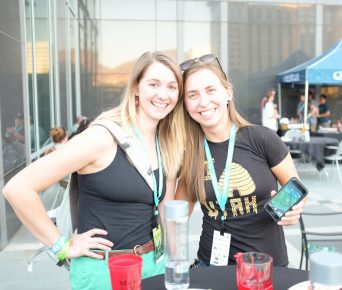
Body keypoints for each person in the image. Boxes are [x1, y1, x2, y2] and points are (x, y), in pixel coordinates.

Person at [2, 51, 185, 289]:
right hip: (103, 272)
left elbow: (164, 208)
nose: (163, 94)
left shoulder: (166, 142)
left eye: (172, 87)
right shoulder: (102, 136)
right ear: (136, 88)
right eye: (154, 84)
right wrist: (62, 247)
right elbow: (17, 188)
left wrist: (176, 263)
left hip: (155, 266)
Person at [176, 54, 304, 267]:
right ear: (186, 104)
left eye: (210, 90)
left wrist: (292, 209)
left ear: (228, 93)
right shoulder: (189, 154)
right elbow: (176, 216)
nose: (203, 102)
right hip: (211, 267)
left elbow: (296, 188)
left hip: (266, 267)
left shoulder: (262, 138)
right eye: (193, 95)